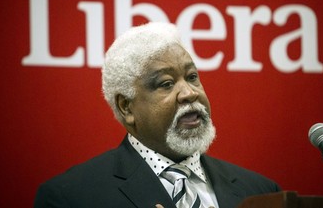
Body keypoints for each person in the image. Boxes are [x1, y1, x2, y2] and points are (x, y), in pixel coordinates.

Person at [34, 22, 280, 208]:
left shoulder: (261, 192)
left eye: (192, 77)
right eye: (166, 83)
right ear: (126, 107)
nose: (188, 93)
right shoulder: (71, 197)